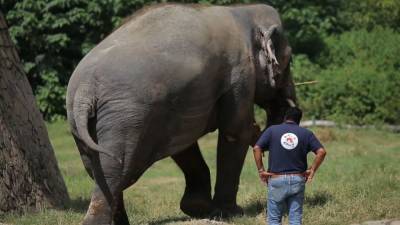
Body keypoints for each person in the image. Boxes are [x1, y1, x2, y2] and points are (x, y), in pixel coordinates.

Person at [253, 107, 327, 225]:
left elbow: (257, 148)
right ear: (299, 120)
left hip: (276, 179)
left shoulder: (272, 130)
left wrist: (261, 171)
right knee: (295, 220)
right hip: (298, 179)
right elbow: (321, 152)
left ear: (285, 117)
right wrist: (312, 170)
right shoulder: (306, 133)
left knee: (274, 220)